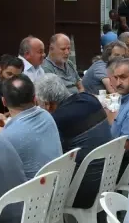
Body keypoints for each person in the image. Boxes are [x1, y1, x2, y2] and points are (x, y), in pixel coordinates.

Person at [36, 74, 113, 210]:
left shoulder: (57, 120)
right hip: (108, 177)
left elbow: (50, 157)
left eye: (40, 105)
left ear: (48, 104)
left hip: (83, 189)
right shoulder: (90, 99)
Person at [0, 75, 64, 176]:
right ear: (34, 98)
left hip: (30, 190)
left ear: (4, 101)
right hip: (57, 185)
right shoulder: (47, 116)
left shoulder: (7, 137)